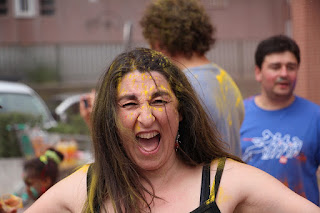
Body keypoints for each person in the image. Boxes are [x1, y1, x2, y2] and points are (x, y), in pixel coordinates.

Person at [25, 48, 319, 212]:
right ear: (111, 120)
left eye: (159, 100)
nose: (147, 116)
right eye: (129, 104)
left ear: (181, 113)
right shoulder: (85, 188)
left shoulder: (224, 181)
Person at [139, 0, 244, 157]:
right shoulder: (225, 78)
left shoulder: (183, 86)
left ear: (159, 41)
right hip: (230, 176)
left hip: (203, 179)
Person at [240, 35, 320, 205]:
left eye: (290, 67)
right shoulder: (238, 114)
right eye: (275, 67)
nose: (284, 74)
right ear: (258, 72)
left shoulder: (316, 116)